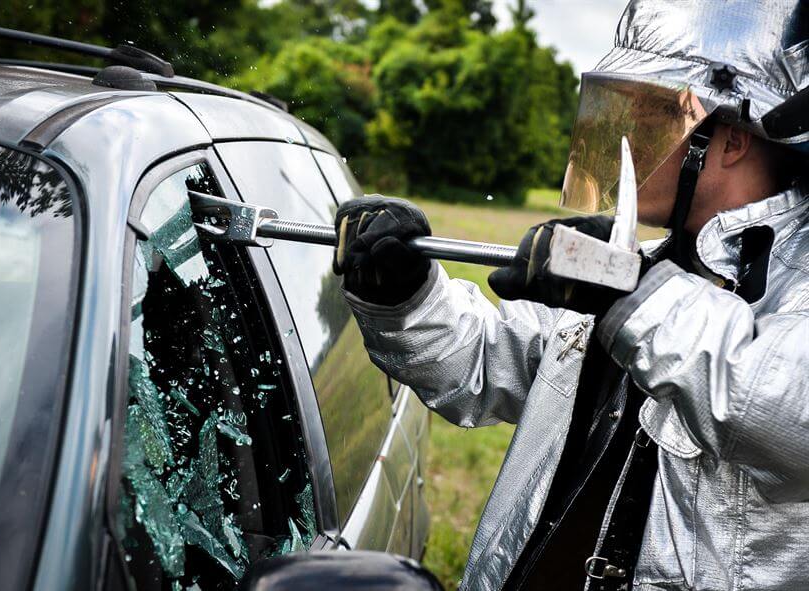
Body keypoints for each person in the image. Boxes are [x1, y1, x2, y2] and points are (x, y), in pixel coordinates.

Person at [332, 2, 809, 590]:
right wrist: (405, 298)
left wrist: (633, 297)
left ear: (730, 138)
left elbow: (788, 408)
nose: (623, 133)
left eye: (648, 111)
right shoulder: (655, 267)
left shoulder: (778, 284)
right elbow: (486, 362)